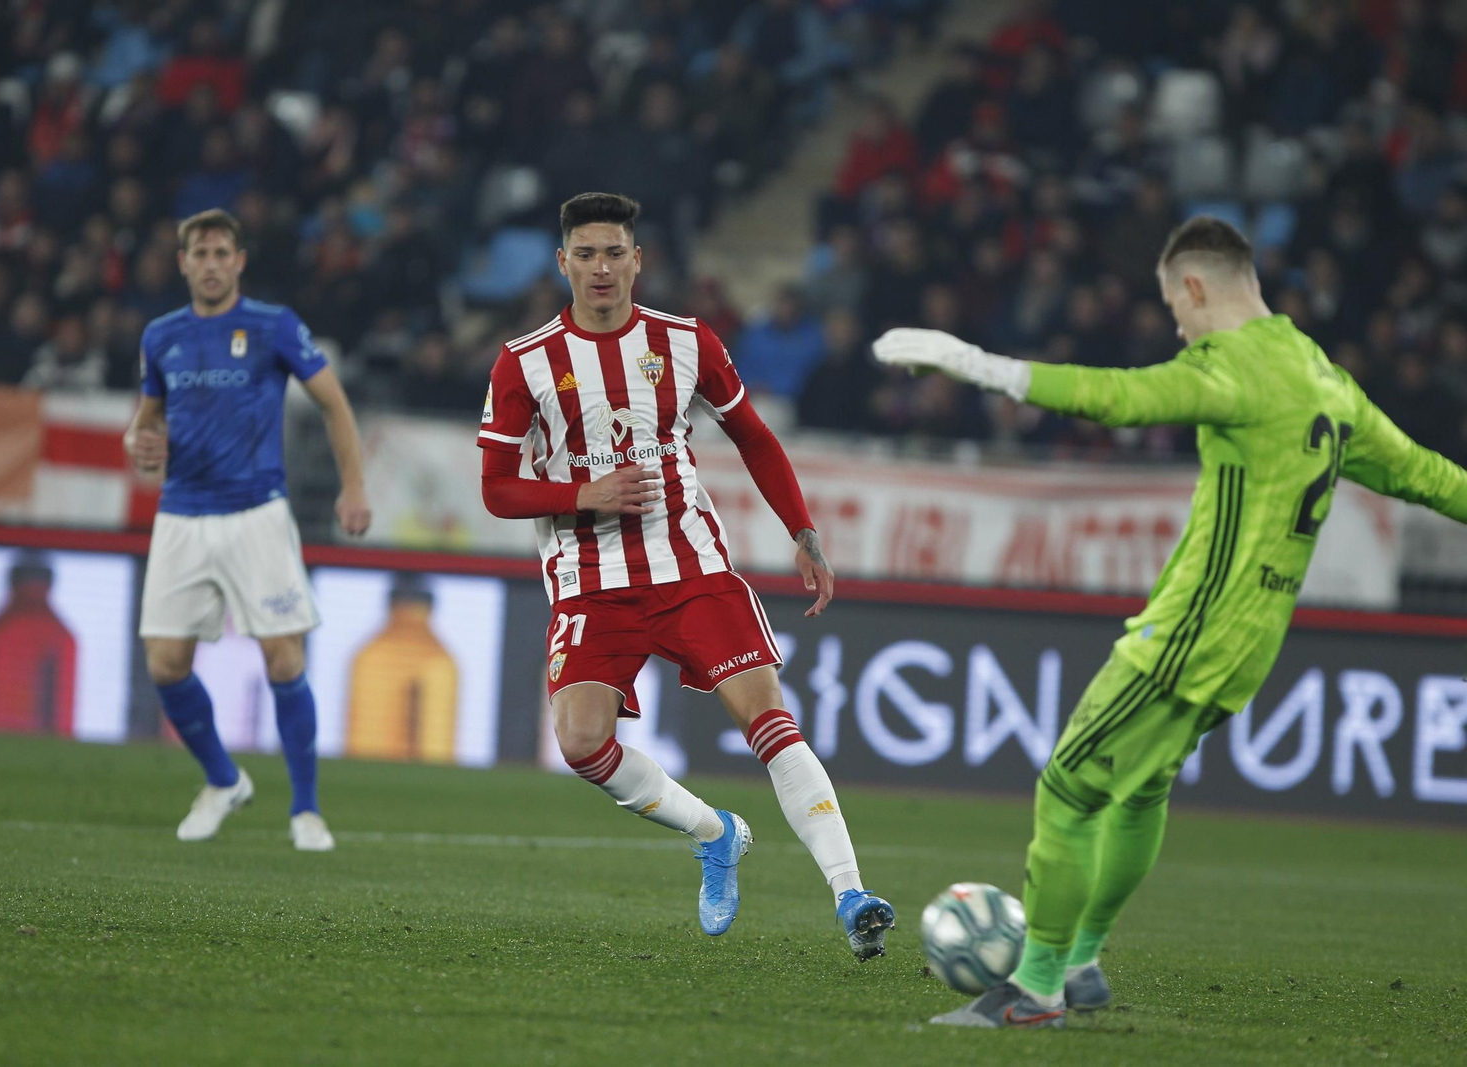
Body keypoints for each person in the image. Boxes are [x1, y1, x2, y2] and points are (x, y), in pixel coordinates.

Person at [874, 216, 1467, 1028]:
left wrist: (978, 365)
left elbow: (1120, 397)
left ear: (1194, 287)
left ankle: (1036, 987)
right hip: (1253, 639)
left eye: (1175, 310)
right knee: (1141, 786)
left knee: (1067, 786)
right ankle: (1081, 963)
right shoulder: (1324, 378)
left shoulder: (1236, 367)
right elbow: (1427, 475)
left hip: (1191, 632)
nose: (1180, 329)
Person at [478, 192, 895, 957]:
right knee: (582, 743)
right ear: (563, 262)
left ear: (637, 260)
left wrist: (803, 531)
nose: (601, 268)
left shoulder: (685, 341)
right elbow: (497, 488)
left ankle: (850, 892)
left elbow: (754, 436)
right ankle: (714, 832)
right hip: (590, 579)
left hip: (690, 565)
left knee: (769, 719)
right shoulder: (525, 362)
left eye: (614, 252)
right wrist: (585, 494)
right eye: (586, 254)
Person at [125, 208, 371, 852]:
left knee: (284, 657)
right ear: (183, 263)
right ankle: (222, 780)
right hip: (181, 513)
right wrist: (137, 442)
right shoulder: (161, 336)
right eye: (199, 254)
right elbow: (146, 422)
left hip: (256, 512)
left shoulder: (273, 326)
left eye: (221, 254)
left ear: (238, 262)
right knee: (165, 664)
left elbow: (334, 403)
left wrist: (354, 486)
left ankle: (306, 810)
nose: (210, 265)